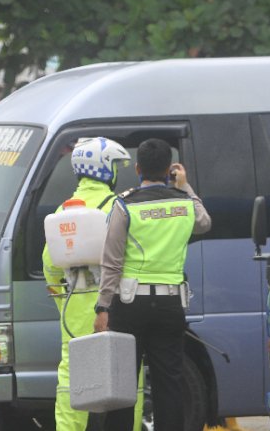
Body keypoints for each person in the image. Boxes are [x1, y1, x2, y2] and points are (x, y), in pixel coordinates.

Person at [93, 138, 211, 431]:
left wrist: (102, 306)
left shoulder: (125, 205)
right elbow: (204, 222)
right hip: (171, 305)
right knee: (169, 383)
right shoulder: (184, 203)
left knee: (122, 382)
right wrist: (185, 187)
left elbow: (112, 261)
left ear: (137, 169)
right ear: (169, 169)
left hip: (130, 304)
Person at [41, 137, 145, 431]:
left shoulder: (62, 211)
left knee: (71, 377)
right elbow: (133, 256)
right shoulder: (118, 206)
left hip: (74, 303)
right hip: (114, 304)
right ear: (104, 170)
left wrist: (64, 302)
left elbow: (50, 265)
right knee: (126, 373)